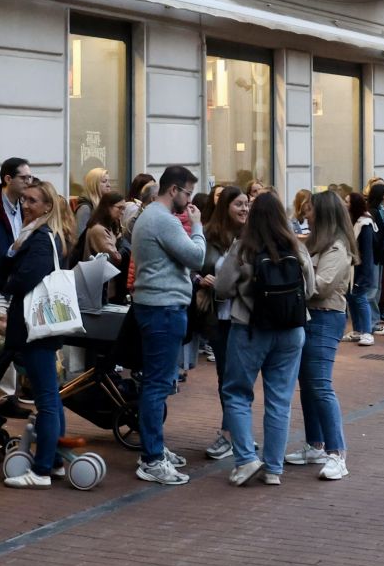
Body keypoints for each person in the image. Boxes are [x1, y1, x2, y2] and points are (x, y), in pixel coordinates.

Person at [213, 191, 313, 487]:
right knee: (280, 400)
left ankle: (245, 459)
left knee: (236, 393)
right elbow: (310, 290)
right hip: (292, 331)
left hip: (250, 329)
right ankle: (273, 468)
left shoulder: (243, 248)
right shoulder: (296, 246)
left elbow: (222, 287)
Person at [128, 164, 206, 485]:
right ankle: (151, 458)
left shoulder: (150, 217)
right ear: (173, 190)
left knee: (157, 383)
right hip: (163, 308)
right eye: (187, 193)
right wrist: (198, 226)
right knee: (157, 385)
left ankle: (155, 448)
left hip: (156, 306)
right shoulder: (163, 219)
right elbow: (196, 256)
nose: (189, 202)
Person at [0, 178, 72, 489]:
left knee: (47, 400)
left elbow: (23, 278)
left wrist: (11, 273)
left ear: (47, 206)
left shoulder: (41, 238)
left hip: (36, 329)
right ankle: (53, 462)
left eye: (32, 201)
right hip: (41, 329)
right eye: (24, 200)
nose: (25, 205)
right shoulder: (43, 235)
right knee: (50, 396)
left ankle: (41, 470)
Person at [289, 190, 354, 480]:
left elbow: (321, 286)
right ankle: (315, 444)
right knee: (309, 383)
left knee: (320, 384)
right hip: (311, 318)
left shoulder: (337, 248)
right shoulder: (318, 244)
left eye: (311, 210)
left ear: (324, 213)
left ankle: (337, 453)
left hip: (326, 318)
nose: (306, 214)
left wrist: (300, 270)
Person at [200, 186, 252, 459]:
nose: (244, 209)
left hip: (244, 316)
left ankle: (233, 434)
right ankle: (235, 433)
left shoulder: (253, 237)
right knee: (225, 376)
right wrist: (202, 279)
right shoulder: (209, 234)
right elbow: (194, 265)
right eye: (239, 204)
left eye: (247, 204)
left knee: (238, 377)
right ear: (225, 207)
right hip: (218, 316)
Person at [347, 192, 381, 345]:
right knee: (352, 298)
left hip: (361, 269)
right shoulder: (354, 221)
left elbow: (367, 252)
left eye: (347, 201)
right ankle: (357, 330)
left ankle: (367, 332)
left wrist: (364, 275)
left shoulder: (364, 224)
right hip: (353, 267)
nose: (344, 204)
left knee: (360, 298)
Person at [71, 167, 111, 240]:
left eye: (109, 181)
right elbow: (80, 238)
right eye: (104, 181)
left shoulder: (104, 205)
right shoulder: (85, 208)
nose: (109, 185)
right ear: (94, 184)